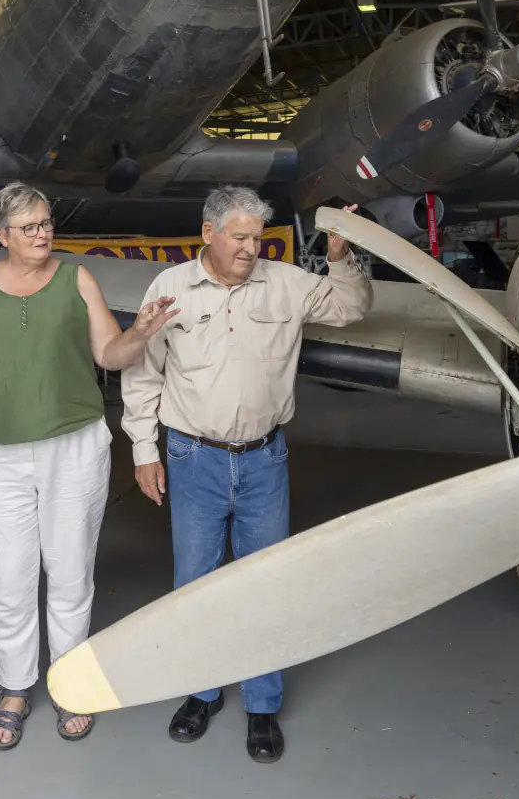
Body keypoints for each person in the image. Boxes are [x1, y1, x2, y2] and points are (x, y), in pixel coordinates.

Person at [123, 185, 369, 765]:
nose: (250, 249)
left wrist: (340, 256)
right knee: (196, 583)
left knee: (267, 583)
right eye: (238, 237)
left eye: (257, 238)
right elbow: (144, 374)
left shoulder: (287, 282)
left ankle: (262, 703)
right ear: (207, 232)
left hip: (264, 459)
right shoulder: (169, 288)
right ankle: (201, 692)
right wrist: (143, 449)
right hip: (193, 457)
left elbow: (351, 307)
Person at [0, 183, 177, 750]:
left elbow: (110, 353)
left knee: (71, 571)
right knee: (8, 576)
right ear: (1, 234)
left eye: (46, 223)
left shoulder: (78, 279)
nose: (42, 233)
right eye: (28, 227)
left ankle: (69, 683)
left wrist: (140, 333)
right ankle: (14, 687)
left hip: (73, 448)